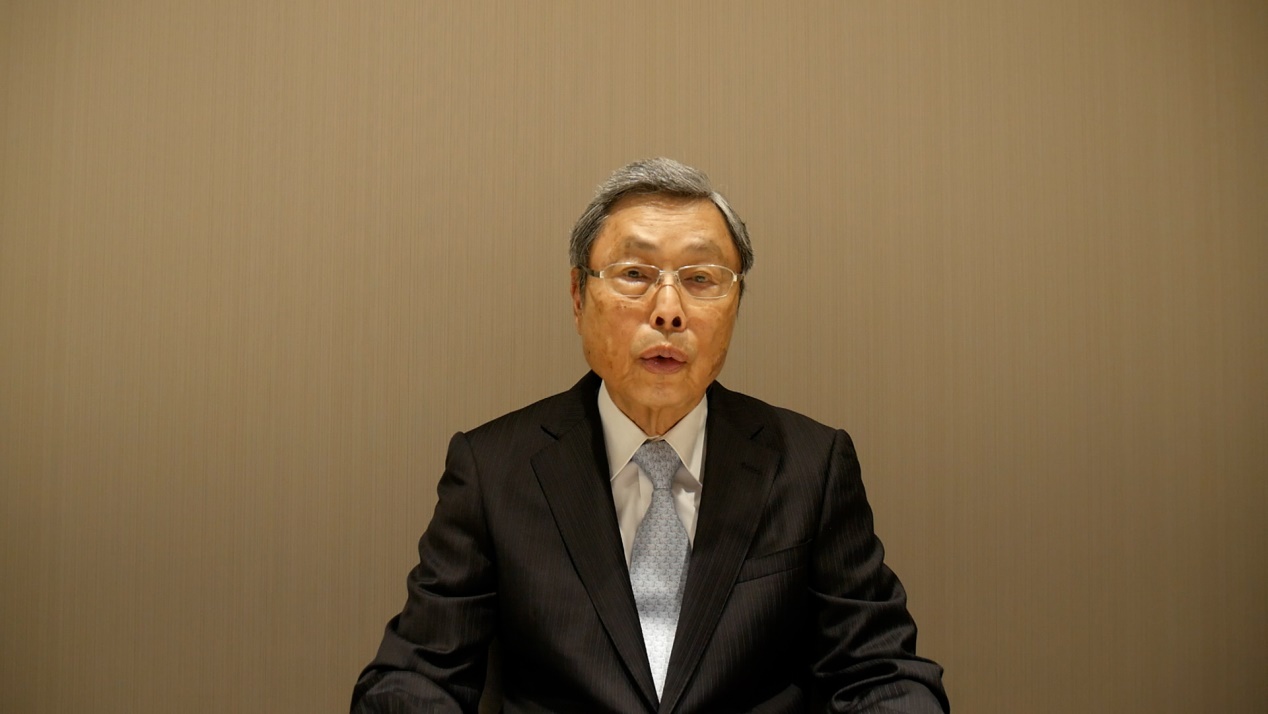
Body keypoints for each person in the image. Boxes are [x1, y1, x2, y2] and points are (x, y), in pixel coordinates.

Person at [351, 158, 949, 713]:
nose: (668, 310)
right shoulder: (493, 470)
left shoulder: (811, 466)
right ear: (578, 296)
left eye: (701, 278)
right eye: (634, 274)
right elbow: (416, 677)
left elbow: (881, 672)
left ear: (736, 303)